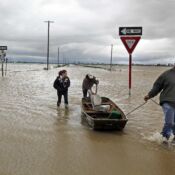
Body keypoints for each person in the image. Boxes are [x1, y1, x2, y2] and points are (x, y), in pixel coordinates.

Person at [144, 65, 175, 144]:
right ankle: (164, 139)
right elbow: (157, 86)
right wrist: (149, 95)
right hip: (167, 101)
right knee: (170, 122)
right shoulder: (166, 74)